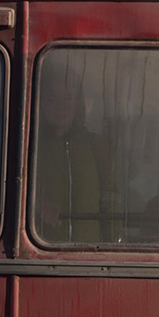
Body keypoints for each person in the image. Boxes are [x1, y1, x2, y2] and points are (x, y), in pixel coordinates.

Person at [34, 69, 119, 243]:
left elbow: (111, 202)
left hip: (89, 258)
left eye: (68, 99)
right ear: (39, 102)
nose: (61, 107)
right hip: (41, 254)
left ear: (77, 103)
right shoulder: (28, 148)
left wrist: (117, 247)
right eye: (51, 100)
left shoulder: (97, 146)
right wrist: (35, 205)